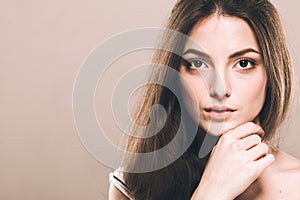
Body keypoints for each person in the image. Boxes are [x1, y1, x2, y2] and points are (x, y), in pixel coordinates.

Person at [109, 0, 300, 199]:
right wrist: (212, 191)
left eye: (244, 63)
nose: (219, 89)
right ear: (175, 74)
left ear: (271, 74)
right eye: (198, 63)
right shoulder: (132, 185)